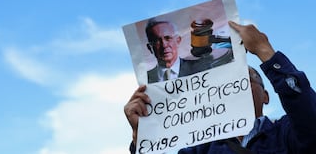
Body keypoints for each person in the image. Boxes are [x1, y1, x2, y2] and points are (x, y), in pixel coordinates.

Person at [124, 21, 316, 154]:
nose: (236, 85)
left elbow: (309, 116)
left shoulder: (286, 132)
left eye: (245, 78)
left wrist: (265, 50)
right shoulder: (200, 149)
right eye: (228, 80)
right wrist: (142, 139)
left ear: (265, 96)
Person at [145, 19, 232, 83]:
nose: (164, 45)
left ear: (178, 40)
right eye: (156, 41)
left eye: (168, 38)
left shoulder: (202, 68)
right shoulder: (146, 80)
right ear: (150, 47)